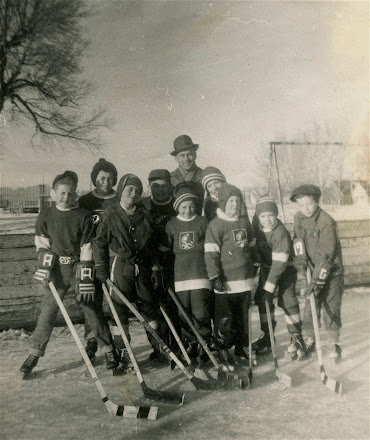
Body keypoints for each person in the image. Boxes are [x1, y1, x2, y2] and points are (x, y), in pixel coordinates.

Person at [20, 171, 117, 375]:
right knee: (48, 310)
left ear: (75, 194)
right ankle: (34, 352)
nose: (66, 197)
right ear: (54, 193)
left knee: (90, 307)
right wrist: (45, 267)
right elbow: (42, 243)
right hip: (56, 270)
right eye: (62, 193)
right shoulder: (46, 214)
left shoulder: (83, 215)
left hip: (77, 267)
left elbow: (87, 246)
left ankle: (108, 349)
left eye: (70, 193)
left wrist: (85, 275)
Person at [93, 174, 161, 368]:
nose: (134, 193)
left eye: (137, 190)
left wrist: (154, 266)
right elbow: (100, 243)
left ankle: (158, 346)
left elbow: (152, 244)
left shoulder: (144, 213)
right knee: (119, 308)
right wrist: (102, 271)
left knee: (148, 306)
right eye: (129, 189)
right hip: (121, 267)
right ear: (121, 190)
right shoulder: (110, 214)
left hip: (143, 268)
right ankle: (124, 352)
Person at [204, 183, 256, 371]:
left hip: (244, 280)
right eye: (231, 201)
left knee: (242, 318)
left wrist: (255, 264)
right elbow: (211, 253)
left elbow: (251, 246)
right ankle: (224, 348)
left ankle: (242, 347)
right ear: (223, 202)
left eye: (238, 201)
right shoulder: (216, 225)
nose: (235, 205)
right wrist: (215, 276)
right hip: (225, 282)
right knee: (225, 319)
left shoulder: (244, 223)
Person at [290, 184, 344, 362]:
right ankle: (309, 338)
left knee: (331, 306)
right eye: (301, 204)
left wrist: (317, 280)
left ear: (317, 202)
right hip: (312, 270)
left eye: (309, 204)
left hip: (331, 272)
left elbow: (327, 254)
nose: (305, 208)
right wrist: (301, 262)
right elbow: (298, 242)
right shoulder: (298, 218)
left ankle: (333, 342)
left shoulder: (326, 221)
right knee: (310, 304)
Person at [252, 196, 308, 360]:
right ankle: (267, 337)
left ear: (276, 214)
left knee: (288, 300)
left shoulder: (280, 232)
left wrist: (269, 288)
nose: (267, 220)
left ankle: (297, 337)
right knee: (263, 300)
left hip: (285, 269)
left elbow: (279, 264)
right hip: (267, 269)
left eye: (271, 215)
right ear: (258, 217)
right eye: (263, 216)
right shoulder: (256, 227)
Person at [162, 186, 212, 365]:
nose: (188, 210)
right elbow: (166, 249)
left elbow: (210, 246)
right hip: (180, 276)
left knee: (201, 311)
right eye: (183, 207)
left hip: (200, 274)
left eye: (191, 206)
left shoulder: (202, 222)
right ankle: (190, 342)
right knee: (184, 313)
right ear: (177, 207)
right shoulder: (172, 224)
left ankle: (205, 342)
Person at [77, 158, 119, 361]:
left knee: (114, 300)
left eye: (110, 178)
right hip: (92, 256)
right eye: (102, 178)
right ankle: (92, 339)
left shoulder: (118, 198)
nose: (106, 181)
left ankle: (118, 342)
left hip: (113, 256)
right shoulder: (86, 201)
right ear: (95, 179)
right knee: (92, 299)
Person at [141, 169, 177, 349]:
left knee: (174, 303)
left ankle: (181, 343)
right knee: (153, 306)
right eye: (156, 186)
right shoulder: (144, 207)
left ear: (170, 186)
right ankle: (160, 346)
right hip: (151, 263)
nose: (160, 190)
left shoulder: (177, 205)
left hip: (175, 261)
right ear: (150, 187)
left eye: (164, 186)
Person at [170, 135, 204, 208]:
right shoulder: (169, 178)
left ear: (195, 155)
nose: (186, 159)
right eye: (182, 155)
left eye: (189, 154)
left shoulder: (204, 175)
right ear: (176, 158)